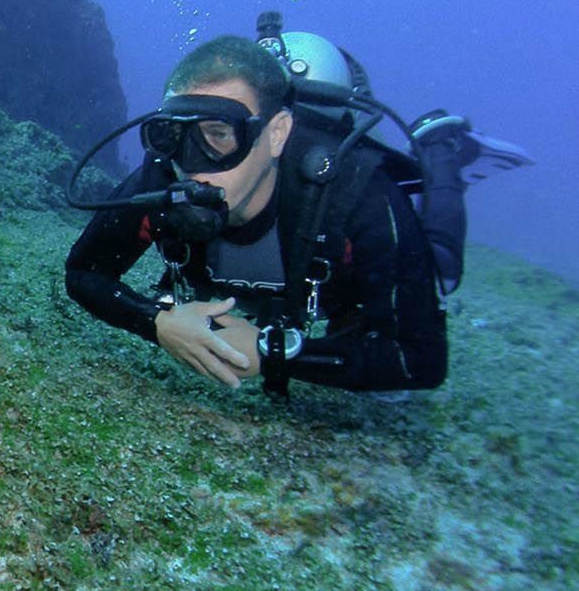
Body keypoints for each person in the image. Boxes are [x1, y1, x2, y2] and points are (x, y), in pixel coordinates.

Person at [64, 27, 529, 395]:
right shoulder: (165, 176)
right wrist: (158, 322)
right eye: (173, 136)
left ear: (277, 133)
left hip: (336, 281)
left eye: (219, 134)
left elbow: (420, 360)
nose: (193, 166)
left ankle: (440, 146)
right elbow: (84, 272)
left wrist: (272, 352)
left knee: (440, 271)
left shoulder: (355, 192)